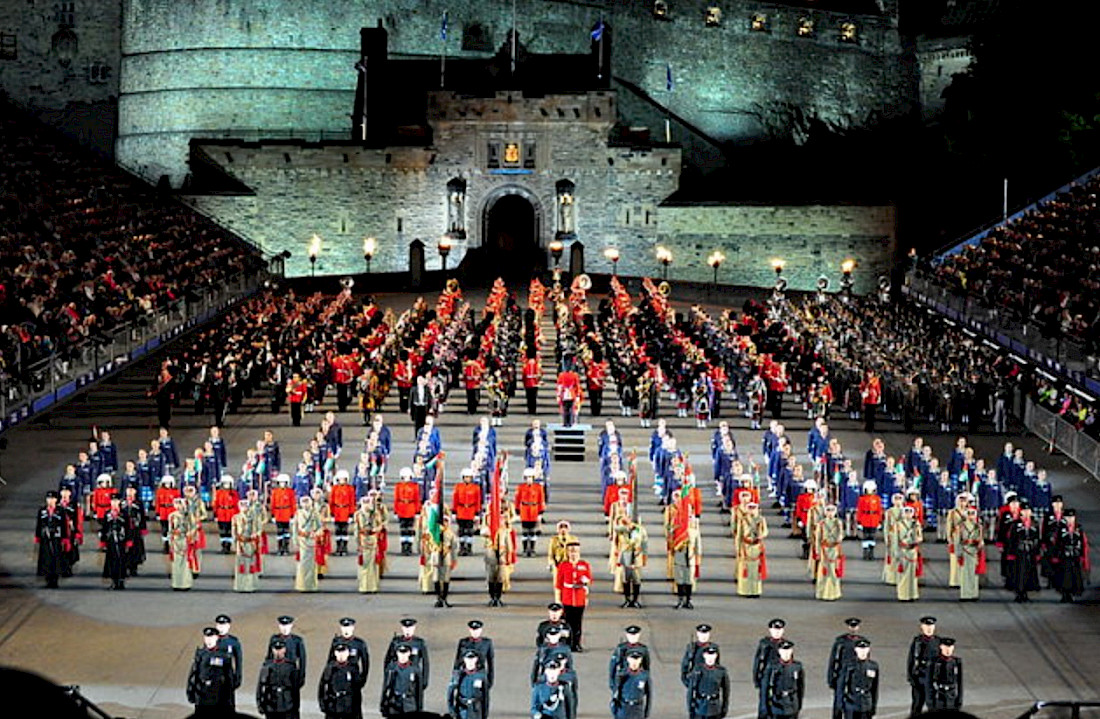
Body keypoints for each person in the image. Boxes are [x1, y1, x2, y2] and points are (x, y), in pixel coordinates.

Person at [187, 627, 236, 715]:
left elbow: (229, 680)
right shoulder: (200, 654)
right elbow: (193, 674)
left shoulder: (224, 656)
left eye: (211, 637)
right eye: (206, 638)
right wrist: (190, 692)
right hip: (202, 695)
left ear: (216, 638)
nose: (208, 640)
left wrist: (231, 702)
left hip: (218, 696)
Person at [556, 541, 593, 652]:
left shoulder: (584, 565)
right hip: (567, 597)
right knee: (567, 622)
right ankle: (568, 643)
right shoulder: (563, 565)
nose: (574, 554)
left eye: (576, 551)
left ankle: (577, 643)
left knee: (578, 623)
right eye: (571, 551)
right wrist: (558, 600)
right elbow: (559, 584)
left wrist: (586, 582)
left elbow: (589, 580)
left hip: (579, 597)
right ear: (567, 553)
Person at [828, 618, 865, 719]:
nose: (853, 629)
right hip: (842, 674)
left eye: (855, 627)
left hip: (856, 674)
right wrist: (831, 678)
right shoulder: (840, 642)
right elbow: (833, 661)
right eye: (851, 627)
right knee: (838, 701)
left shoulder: (862, 642)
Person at [257, 638, 301, 719]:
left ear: (284, 650)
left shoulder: (291, 666)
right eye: (276, 649)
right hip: (271, 705)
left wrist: (296, 708)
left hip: (287, 705)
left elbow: (295, 690)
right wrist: (259, 703)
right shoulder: (267, 666)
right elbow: (260, 686)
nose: (278, 652)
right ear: (272, 650)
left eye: (280, 649)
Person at [1052, 508, 1090, 603]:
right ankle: (1065, 594)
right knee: (1064, 576)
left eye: (1072, 517)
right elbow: (1056, 543)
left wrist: (1083, 556)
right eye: (1068, 517)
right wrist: (1056, 556)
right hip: (1064, 556)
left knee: (1075, 576)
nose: (1070, 519)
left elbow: (1083, 542)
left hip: (1075, 556)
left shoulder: (1078, 528)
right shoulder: (1061, 529)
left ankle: (1073, 593)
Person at [319, 642, 364, 719]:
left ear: (348, 653)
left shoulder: (352, 669)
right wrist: (323, 704)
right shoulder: (330, 668)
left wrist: (357, 710)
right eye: (339, 652)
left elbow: (357, 691)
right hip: (333, 706)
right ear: (335, 653)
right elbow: (322, 687)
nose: (341, 655)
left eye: (343, 652)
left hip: (348, 706)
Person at [34, 491, 69, 589]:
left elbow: (64, 525)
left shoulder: (60, 511)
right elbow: (39, 524)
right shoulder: (42, 511)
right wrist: (37, 536)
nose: (50, 501)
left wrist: (65, 538)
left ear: (56, 500)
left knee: (56, 557)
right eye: (48, 498)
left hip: (56, 538)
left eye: (52, 498)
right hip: (45, 537)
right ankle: (47, 579)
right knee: (46, 558)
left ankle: (55, 579)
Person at [753, 619, 787, 719]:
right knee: (764, 701)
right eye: (774, 630)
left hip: (780, 677)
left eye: (779, 630)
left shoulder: (785, 645)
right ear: (770, 630)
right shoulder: (764, 644)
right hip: (766, 676)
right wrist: (756, 679)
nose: (777, 632)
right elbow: (757, 662)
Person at [836, 639, 878, 719]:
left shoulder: (873, 666)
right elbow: (841, 686)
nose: (862, 652)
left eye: (865, 649)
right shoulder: (849, 665)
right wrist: (840, 705)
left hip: (866, 704)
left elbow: (874, 688)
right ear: (856, 650)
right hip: (852, 704)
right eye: (860, 649)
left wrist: (873, 706)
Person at [355, 493, 388, 593]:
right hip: (363, 539)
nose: (366, 505)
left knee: (373, 564)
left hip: (373, 539)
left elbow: (380, 525)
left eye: (367, 502)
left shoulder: (375, 514)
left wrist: (375, 529)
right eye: (364, 503)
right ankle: (363, 586)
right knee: (364, 564)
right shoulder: (358, 514)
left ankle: (373, 586)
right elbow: (356, 529)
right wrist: (357, 543)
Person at [762, 640, 804, 719]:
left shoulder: (797, 667)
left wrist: (798, 705)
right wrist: (766, 708)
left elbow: (800, 687)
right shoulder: (773, 667)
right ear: (779, 652)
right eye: (784, 651)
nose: (786, 654)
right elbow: (765, 688)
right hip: (776, 705)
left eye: (788, 651)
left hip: (792, 705)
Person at [907, 617, 940, 716]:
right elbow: (911, 660)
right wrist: (911, 678)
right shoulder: (917, 642)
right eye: (926, 626)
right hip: (919, 678)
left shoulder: (938, 642)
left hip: (932, 679)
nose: (929, 629)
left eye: (931, 626)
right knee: (917, 705)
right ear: (922, 627)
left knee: (933, 706)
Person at [381, 644, 426, 718]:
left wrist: (419, 708)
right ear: (397, 653)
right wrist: (382, 704)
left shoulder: (415, 669)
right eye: (400, 653)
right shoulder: (392, 668)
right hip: (395, 703)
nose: (402, 656)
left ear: (409, 653)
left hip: (409, 704)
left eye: (405, 653)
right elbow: (385, 686)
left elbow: (419, 691)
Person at [385, 618, 430, 690]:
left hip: (414, 678)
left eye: (410, 629)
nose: (407, 631)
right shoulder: (396, 642)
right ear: (402, 629)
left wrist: (424, 681)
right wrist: (387, 676)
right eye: (405, 629)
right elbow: (387, 660)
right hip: (398, 677)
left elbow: (426, 663)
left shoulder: (419, 643)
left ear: (414, 629)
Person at [266, 616, 307, 694]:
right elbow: (269, 658)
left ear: (291, 626)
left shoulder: (297, 641)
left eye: (287, 626)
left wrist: (301, 678)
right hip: (276, 673)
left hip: (291, 675)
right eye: (282, 626)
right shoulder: (274, 639)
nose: (285, 628)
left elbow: (302, 661)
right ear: (279, 626)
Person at [736, 501, 768, 598]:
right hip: (746, 545)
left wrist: (761, 535)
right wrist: (738, 548)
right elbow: (739, 534)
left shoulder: (761, 519)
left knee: (756, 570)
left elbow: (765, 531)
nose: (752, 510)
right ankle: (745, 590)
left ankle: (755, 590)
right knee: (746, 569)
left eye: (754, 508)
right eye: (750, 508)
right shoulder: (743, 520)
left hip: (756, 546)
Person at [812, 504, 844, 601]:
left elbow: (841, 535)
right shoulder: (821, 524)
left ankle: (834, 592)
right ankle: (823, 592)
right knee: (824, 571)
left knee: (834, 570)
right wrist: (817, 551)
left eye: (832, 511)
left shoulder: (838, 522)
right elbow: (818, 538)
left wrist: (838, 539)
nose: (830, 513)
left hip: (834, 548)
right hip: (824, 549)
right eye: (828, 511)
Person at [687, 645, 729, 719]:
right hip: (700, 707)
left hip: (715, 709)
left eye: (712, 655)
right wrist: (690, 708)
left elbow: (726, 692)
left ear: (716, 656)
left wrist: (724, 707)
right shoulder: (698, 670)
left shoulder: (721, 672)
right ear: (704, 656)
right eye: (708, 655)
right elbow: (691, 691)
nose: (710, 658)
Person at [294, 495, 324, 592]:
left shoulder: (315, 513)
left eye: (307, 502)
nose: (306, 504)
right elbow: (295, 527)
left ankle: (311, 585)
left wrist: (316, 533)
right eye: (304, 502)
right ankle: (301, 585)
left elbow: (320, 527)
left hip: (312, 540)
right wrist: (295, 540)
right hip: (302, 539)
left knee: (312, 564)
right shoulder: (298, 513)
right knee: (302, 563)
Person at [329, 618, 370, 689]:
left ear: (353, 628)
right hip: (338, 676)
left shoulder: (359, 643)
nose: (346, 630)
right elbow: (330, 660)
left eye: (348, 627)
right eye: (344, 628)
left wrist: (362, 679)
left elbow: (365, 664)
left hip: (353, 678)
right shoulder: (336, 642)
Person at [448, 649, 490, 719]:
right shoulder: (458, 675)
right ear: (464, 660)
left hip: (476, 710)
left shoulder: (481, 676)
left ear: (476, 660)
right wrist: (451, 710)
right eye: (468, 659)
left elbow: (486, 697)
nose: (470, 662)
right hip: (462, 709)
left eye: (472, 659)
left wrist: (485, 714)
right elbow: (450, 693)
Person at [454, 620, 495, 690]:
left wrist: (490, 681)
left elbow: (490, 663)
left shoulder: (486, 643)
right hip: (465, 675)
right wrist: (455, 677)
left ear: (481, 630)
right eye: (473, 630)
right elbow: (458, 661)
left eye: (477, 630)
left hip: (480, 675)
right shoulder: (463, 642)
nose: (475, 632)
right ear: (470, 630)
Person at [924, 637, 963, 711]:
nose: (948, 650)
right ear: (941, 647)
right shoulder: (934, 662)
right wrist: (929, 701)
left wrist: (959, 699)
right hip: (938, 696)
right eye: (945, 647)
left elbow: (959, 682)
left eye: (950, 647)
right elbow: (928, 682)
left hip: (951, 697)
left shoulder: (956, 662)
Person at [232, 497, 263, 592]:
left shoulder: (254, 517)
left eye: (246, 506)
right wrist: (236, 539)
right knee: (240, 563)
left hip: (250, 542)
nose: (244, 508)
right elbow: (234, 530)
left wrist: (255, 535)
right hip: (240, 543)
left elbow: (259, 529)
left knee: (250, 564)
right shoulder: (235, 517)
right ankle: (240, 585)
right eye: (242, 506)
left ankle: (250, 585)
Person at [608, 626, 650, 693]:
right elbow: (613, 666)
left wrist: (646, 682)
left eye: (635, 635)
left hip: (637, 676)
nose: (633, 638)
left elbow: (646, 666)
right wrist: (612, 682)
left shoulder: (643, 649)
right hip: (624, 676)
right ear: (627, 635)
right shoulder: (621, 648)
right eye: (631, 635)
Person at [612, 650, 652, 719]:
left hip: (637, 708)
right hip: (624, 707)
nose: (634, 662)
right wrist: (615, 708)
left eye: (637, 659)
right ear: (627, 660)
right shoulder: (622, 674)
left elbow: (649, 695)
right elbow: (616, 692)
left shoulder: (644, 676)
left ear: (640, 660)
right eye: (632, 659)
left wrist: (646, 711)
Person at [100, 496, 129, 590]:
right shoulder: (107, 514)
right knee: (112, 561)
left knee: (121, 560)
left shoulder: (124, 514)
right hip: (111, 540)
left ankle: (121, 581)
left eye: (116, 501)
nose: (114, 503)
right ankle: (113, 581)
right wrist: (103, 541)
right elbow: (104, 528)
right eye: (113, 501)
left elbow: (128, 528)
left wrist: (129, 541)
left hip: (121, 540)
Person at [895, 505, 923, 601]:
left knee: (912, 574)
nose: (908, 514)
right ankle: (903, 594)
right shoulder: (898, 524)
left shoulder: (916, 524)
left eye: (910, 512)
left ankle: (912, 593)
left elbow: (920, 537)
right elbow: (895, 539)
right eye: (906, 512)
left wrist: (916, 540)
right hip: (902, 550)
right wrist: (896, 553)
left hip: (912, 550)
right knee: (903, 573)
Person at [516, 468, 546, 557]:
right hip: (524, 510)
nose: (529, 479)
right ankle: (525, 549)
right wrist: (517, 510)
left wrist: (540, 512)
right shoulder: (521, 487)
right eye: (527, 477)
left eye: (530, 477)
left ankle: (532, 549)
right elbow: (517, 499)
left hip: (534, 509)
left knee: (532, 531)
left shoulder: (538, 487)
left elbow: (541, 500)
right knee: (525, 531)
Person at [957, 508, 985, 601]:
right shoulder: (961, 526)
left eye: (973, 514)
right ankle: (965, 594)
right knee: (965, 573)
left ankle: (973, 593)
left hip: (974, 550)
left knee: (974, 573)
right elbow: (958, 540)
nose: (971, 516)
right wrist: (958, 553)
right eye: (969, 514)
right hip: (965, 549)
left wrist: (980, 546)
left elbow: (981, 539)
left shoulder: (978, 527)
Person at [215, 614, 244, 703]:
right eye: (219, 625)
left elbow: (238, 661)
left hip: (228, 677)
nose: (221, 628)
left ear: (228, 626)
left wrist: (238, 678)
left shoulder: (233, 642)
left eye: (224, 625)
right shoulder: (212, 640)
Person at [167, 497, 194, 590]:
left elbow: (191, 527)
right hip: (176, 539)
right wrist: (171, 539)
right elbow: (170, 529)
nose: (179, 507)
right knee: (176, 562)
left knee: (185, 562)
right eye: (177, 504)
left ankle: (185, 583)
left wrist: (190, 535)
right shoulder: (172, 516)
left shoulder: (187, 516)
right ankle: (176, 583)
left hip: (185, 538)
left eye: (180, 504)